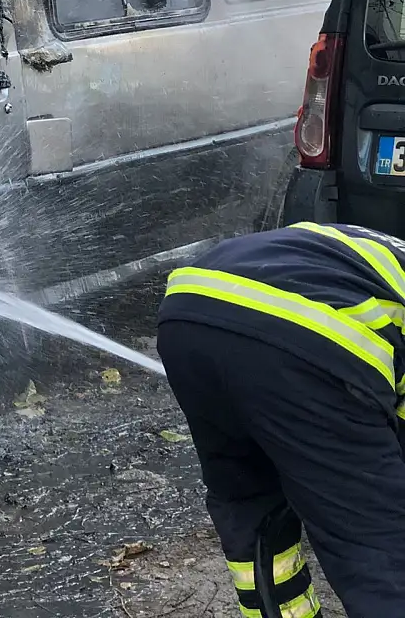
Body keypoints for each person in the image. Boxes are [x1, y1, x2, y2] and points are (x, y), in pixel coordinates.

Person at [158, 221, 405, 618]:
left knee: (248, 499)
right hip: (305, 338)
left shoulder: (374, 250)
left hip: (188, 311)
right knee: (377, 545)